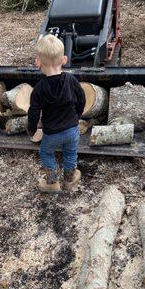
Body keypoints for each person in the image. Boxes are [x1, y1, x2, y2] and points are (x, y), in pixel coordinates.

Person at [28, 34, 86, 193]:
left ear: (38, 62)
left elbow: (33, 111)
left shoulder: (39, 88)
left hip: (51, 134)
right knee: (70, 153)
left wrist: (32, 130)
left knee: (46, 153)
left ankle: (52, 183)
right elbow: (81, 98)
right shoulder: (71, 79)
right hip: (72, 130)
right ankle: (69, 179)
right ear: (64, 60)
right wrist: (78, 115)